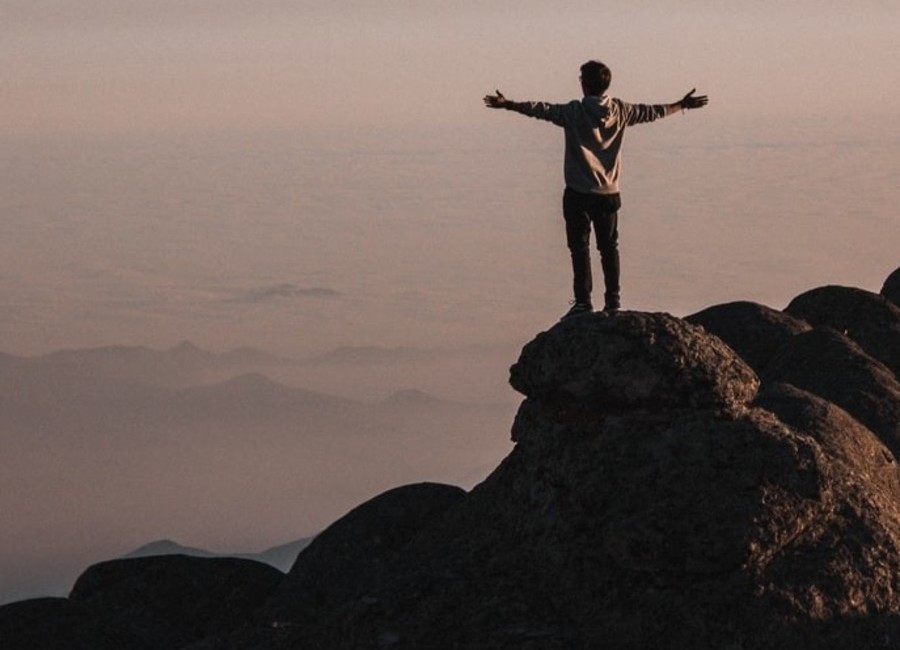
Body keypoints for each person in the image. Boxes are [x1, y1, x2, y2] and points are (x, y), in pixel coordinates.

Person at [483, 60, 708, 319]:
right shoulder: (621, 110)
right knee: (609, 248)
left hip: (578, 193)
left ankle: (583, 303)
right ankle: (613, 301)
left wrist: (508, 104)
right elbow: (653, 112)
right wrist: (681, 104)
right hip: (609, 193)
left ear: (585, 83)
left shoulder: (574, 112)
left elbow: (541, 110)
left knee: (580, 248)